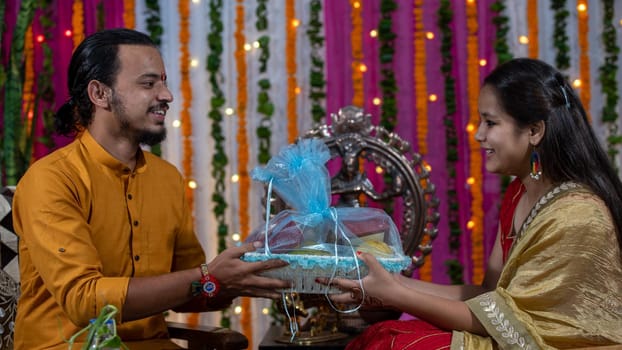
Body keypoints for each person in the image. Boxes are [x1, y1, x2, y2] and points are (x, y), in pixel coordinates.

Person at [12, 28, 290, 350]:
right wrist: (208, 276)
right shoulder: (51, 180)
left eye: (164, 82)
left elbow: (192, 292)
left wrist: (244, 274)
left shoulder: (167, 179)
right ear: (100, 94)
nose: (167, 95)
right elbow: (84, 300)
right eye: (148, 84)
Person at [323, 58, 622, 349]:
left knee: (395, 343)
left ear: (534, 131)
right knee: (386, 335)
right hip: (505, 331)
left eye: (491, 123)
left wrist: (397, 295)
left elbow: (515, 325)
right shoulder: (519, 193)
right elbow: (488, 295)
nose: (479, 135)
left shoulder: (577, 215)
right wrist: (392, 284)